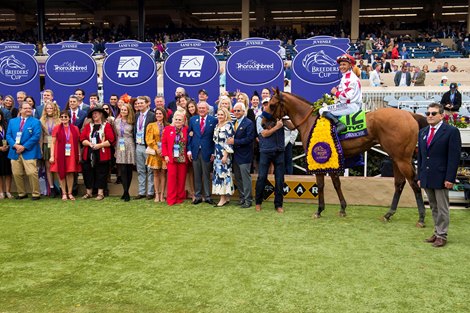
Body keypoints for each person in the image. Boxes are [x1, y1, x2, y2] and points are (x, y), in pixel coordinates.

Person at [418, 103, 461, 248]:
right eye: (428, 113)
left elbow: (454, 157)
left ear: (441, 115)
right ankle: (437, 232)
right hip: (427, 176)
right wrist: (420, 177)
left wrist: (450, 178)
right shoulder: (423, 132)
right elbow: (422, 157)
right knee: (434, 207)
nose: (429, 116)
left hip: (442, 177)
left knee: (442, 208)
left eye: (433, 113)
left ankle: (442, 235)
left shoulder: (451, 131)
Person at [6, 101, 42, 200]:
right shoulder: (12, 121)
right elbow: (8, 135)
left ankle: (36, 193)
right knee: (17, 173)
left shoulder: (36, 121)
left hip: (29, 151)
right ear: (20, 110)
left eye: (30, 108)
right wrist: (15, 145)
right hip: (14, 151)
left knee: (31, 173)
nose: (28, 110)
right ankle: (21, 193)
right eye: (25, 108)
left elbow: (36, 136)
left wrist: (24, 147)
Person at [80, 106, 116, 200]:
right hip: (89, 152)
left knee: (101, 172)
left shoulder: (107, 125)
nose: (94, 115)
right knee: (87, 172)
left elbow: (111, 140)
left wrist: (99, 145)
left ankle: (100, 193)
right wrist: (89, 144)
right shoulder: (88, 126)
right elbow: (82, 139)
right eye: (93, 114)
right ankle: (89, 193)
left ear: (101, 114)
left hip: (102, 153)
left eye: (96, 113)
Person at [320, 54, 362, 133]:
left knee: (322, 110)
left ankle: (340, 125)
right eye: (340, 65)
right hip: (352, 104)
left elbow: (348, 96)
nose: (341, 66)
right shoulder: (346, 76)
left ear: (350, 65)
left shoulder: (350, 78)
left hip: (350, 106)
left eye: (344, 64)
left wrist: (335, 92)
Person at [255, 101, 285, 213]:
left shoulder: (280, 117)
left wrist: (287, 118)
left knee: (280, 179)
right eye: (266, 104)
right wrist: (277, 127)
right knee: (262, 177)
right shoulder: (259, 118)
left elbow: (292, 127)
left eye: (270, 105)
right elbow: (263, 134)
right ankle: (258, 202)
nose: (268, 106)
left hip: (279, 151)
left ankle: (278, 204)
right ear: (263, 106)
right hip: (266, 151)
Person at [187, 101, 217, 205]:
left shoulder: (213, 120)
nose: (201, 110)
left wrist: (213, 152)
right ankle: (198, 196)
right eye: (199, 108)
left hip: (208, 152)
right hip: (195, 151)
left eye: (203, 108)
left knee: (206, 174)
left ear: (207, 109)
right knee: (197, 175)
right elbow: (189, 136)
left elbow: (215, 138)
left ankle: (208, 196)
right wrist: (189, 150)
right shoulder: (193, 120)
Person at [227, 102, 255, 208]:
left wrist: (235, 142)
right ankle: (242, 198)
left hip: (245, 155)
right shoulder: (233, 122)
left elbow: (249, 139)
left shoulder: (249, 123)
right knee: (238, 178)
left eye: (239, 110)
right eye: (235, 110)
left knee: (245, 178)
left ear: (244, 111)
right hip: (235, 156)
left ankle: (248, 200)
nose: (237, 112)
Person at [49, 110, 81, 201]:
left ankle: (70, 193)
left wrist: (79, 154)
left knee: (70, 173)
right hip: (59, 154)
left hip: (72, 154)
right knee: (61, 172)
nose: (63, 118)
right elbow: (53, 143)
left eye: (65, 117)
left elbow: (78, 143)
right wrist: (51, 155)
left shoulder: (75, 128)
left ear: (69, 118)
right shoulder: (56, 128)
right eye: (62, 117)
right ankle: (64, 193)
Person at [162, 110, 189, 205]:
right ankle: (171, 198)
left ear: (183, 121)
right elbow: (164, 143)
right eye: (176, 119)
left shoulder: (186, 130)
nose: (178, 121)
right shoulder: (168, 129)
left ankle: (180, 197)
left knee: (181, 179)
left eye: (180, 120)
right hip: (171, 158)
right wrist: (165, 155)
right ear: (173, 120)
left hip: (182, 158)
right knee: (172, 178)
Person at [134, 96, 156, 200]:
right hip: (138, 145)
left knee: (150, 170)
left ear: (147, 103)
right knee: (140, 170)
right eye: (138, 103)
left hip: (149, 147)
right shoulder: (136, 115)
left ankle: (150, 192)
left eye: (141, 103)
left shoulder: (152, 115)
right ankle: (141, 192)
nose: (139, 105)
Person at [212, 108, 234, 207]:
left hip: (224, 155)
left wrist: (225, 155)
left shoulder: (229, 125)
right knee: (218, 175)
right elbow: (215, 141)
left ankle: (223, 199)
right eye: (218, 114)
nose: (220, 116)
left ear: (226, 115)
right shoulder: (217, 125)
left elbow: (229, 141)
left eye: (222, 114)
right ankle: (226, 197)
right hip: (217, 154)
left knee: (224, 175)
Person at [145, 107, 169, 202]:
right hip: (155, 153)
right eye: (157, 113)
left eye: (160, 113)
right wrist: (157, 148)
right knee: (155, 173)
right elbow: (149, 139)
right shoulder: (151, 125)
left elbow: (169, 139)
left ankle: (162, 194)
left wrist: (164, 149)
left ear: (164, 115)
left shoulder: (168, 126)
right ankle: (156, 194)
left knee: (163, 173)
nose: (158, 115)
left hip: (164, 153)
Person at [114, 103, 136, 202]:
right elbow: (115, 134)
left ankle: (126, 191)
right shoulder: (116, 121)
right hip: (120, 144)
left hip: (129, 144)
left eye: (125, 110)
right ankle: (125, 191)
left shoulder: (132, 121)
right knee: (122, 169)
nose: (123, 111)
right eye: (122, 110)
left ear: (129, 111)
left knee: (128, 169)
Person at [39, 101, 60, 197]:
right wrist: (40, 149)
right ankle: (51, 188)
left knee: (57, 167)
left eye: (51, 108)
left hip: (57, 145)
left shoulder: (59, 120)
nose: (49, 110)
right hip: (46, 145)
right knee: (48, 167)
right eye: (47, 108)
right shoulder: (41, 120)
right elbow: (41, 136)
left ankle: (59, 186)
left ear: (54, 109)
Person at [0, 110, 13, 199]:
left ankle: (8, 191)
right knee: (0, 173)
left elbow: (10, 136)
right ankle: (1, 192)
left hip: (7, 151)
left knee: (8, 172)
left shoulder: (5, 125)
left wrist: (8, 146)